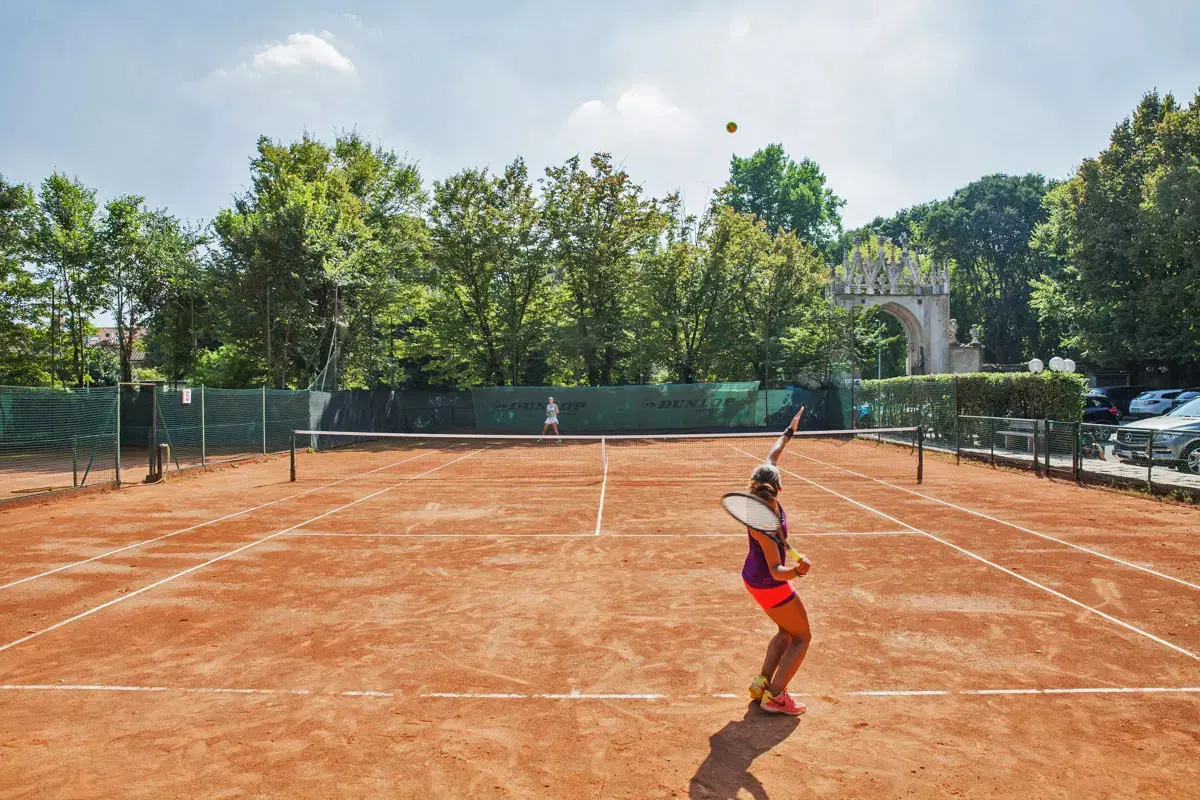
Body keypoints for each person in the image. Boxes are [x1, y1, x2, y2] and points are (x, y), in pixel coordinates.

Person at [743, 407, 812, 716]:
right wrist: (796, 571)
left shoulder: (761, 488)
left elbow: (773, 453)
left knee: (785, 631)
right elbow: (776, 570)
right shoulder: (765, 523)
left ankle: (762, 683)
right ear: (779, 487)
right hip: (769, 582)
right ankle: (775, 696)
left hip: (753, 578)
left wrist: (790, 430)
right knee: (801, 637)